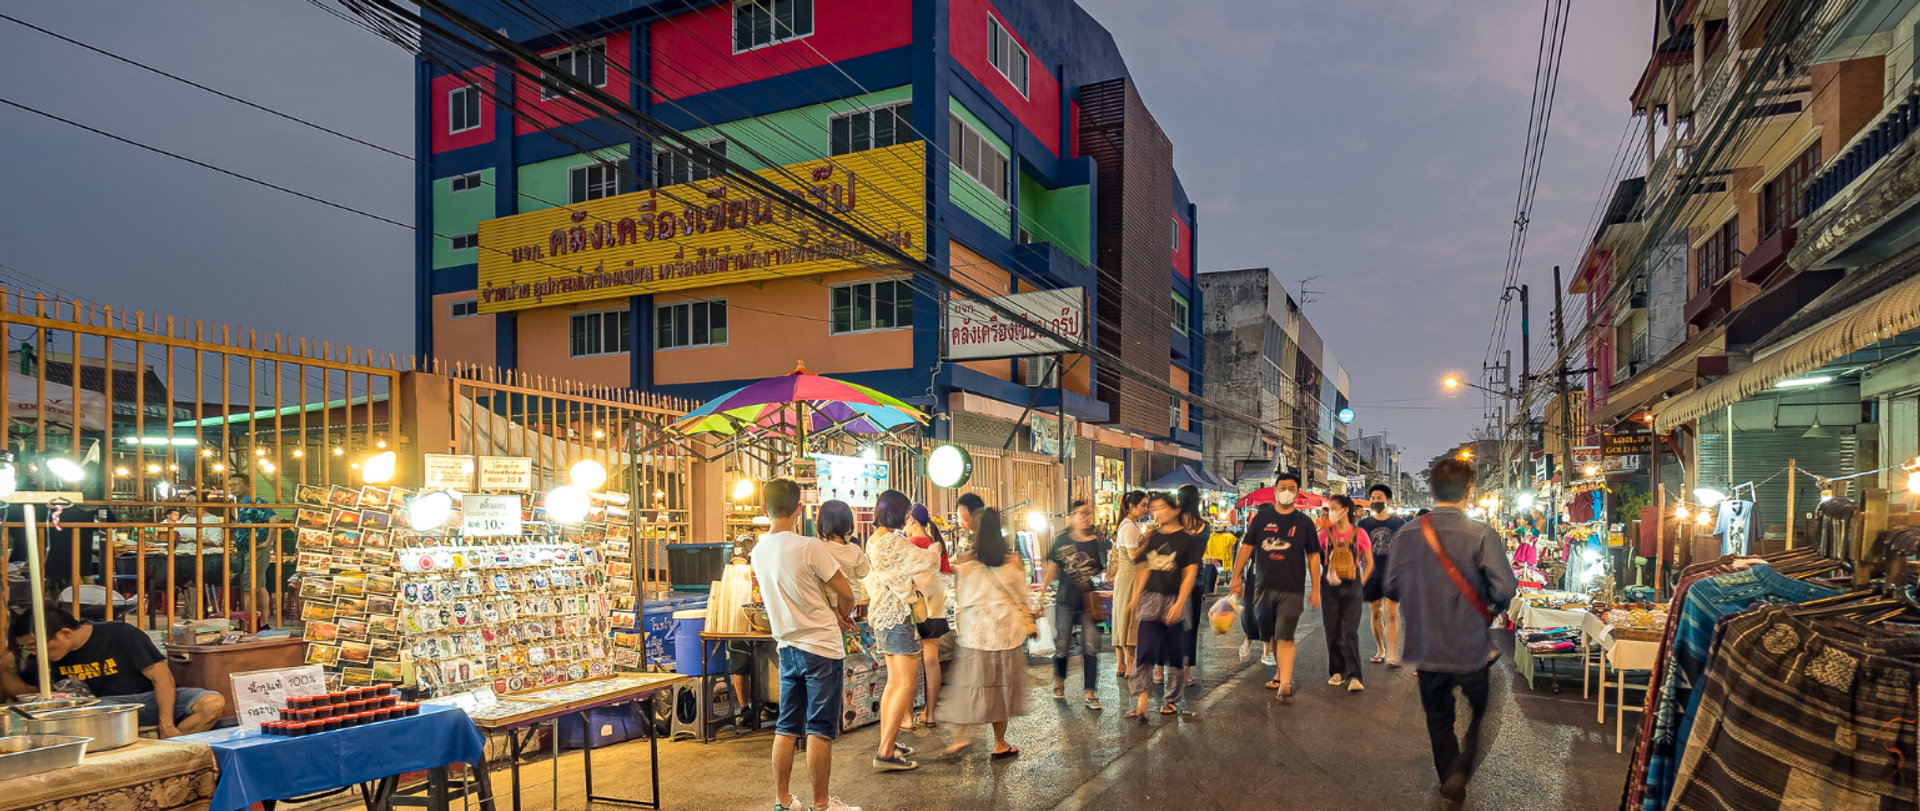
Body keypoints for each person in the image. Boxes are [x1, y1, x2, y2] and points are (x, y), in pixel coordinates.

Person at [1386, 459, 1518, 811]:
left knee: (1439, 720)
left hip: (1427, 649)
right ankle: (1460, 772)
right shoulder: (1482, 534)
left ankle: (1449, 779)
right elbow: (1505, 587)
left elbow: (1392, 586)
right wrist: (1487, 607)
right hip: (1471, 647)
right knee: (1478, 714)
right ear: (1469, 492)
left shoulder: (1408, 533)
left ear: (1431, 490)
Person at [748, 479, 860, 811]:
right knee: (819, 729)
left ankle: (783, 799)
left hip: (787, 647)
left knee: (786, 726)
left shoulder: (758, 551)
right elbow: (847, 593)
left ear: (764, 509)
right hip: (822, 648)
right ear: (800, 508)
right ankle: (821, 804)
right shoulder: (809, 547)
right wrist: (842, 615)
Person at [2, 607, 225, 737]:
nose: (34, 652)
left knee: (212, 704)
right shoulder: (41, 659)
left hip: (144, 702)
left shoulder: (120, 634)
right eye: (30, 648)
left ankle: (168, 747)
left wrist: (166, 722)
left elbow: (162, 677)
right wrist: (2, 667)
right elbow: (25, 691)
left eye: (35, 646)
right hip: (96, 711)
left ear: (64, 634)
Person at [938, 508, 1030, 760]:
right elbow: (1024, 597)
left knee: (971, 687)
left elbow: (960, 597)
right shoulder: (1011, 566)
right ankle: (999, 743)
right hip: (1005, 637)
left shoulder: (969, 567)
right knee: (1000, 692)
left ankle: (960, 737)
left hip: (977, 637)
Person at [1229, 473, 1321, 702]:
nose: (1287, 491)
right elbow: (1247, 548)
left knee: (1285, 634)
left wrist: (1316, 588)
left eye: (1291, 488)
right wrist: (1236, 576)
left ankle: (1286, 683)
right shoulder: (1261, 519)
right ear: (1275, 490)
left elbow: (1313, 557)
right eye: (1283, 487)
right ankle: (1280, 673)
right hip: (1263, 587)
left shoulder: (1305, 523)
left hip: (1292, 589)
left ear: (1297, 493)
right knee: (1270, 633)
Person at [862, 490, 926, 772]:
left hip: (882, 617)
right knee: (906, 684)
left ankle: (886, 744)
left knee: (893, 683)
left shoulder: (874, 539)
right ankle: (886, 751)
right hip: (897, 616)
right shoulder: (892, 541)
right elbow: (925, 561)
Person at [1126, 489, 1202, 720]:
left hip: (1174, 599)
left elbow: (1190, 574)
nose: (1156, 512)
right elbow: (1146, 568)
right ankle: (1141, 703)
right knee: (1146, 648)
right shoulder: (1153, 536)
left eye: (1161, 508)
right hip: (1151, 599)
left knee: (1175, 653)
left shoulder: (1186, 540)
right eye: (1153, 508)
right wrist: (1136, 596)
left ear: (1175, 510)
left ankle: (1171, 700)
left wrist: (1179, 603)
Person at [1036, 499, 1109, 711]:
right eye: (1080, 513)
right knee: (1063, 646)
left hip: (1088, 603)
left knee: (1091, 648)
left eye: (1088, 513)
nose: (1085, 517)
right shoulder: (1061, 541)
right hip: (1066, 601)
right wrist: (1041, 596)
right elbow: (1051, 569)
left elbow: (1098, 571)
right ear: (1071, 517)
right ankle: (1059, 681)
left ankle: (1090, 693)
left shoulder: (1095, 542)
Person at [1318, 495, 1374, 692]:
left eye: (1334, 507)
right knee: (1332, 629)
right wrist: (1323, 578)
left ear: (1344, 511)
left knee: (1349, 631)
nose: (1330, 511)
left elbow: (1369, 562)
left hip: (1352, 586)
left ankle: (1355, 675)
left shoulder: (1360, 534)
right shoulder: (1324, 534)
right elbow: (1316, 558)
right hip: (1329, 587)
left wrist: (1360, 583)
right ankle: (1337, 671)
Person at [905, 505, 950, 729]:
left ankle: (905, 717)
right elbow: (946, 574)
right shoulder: (937, 545)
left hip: (912, 607)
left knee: (909, 662)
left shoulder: (905, 546)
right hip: (935, 606)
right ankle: (930, 714)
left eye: (906, 522)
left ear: (913, 521)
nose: (905, 528)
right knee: (932, 661)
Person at [1359, 485, 1407, 668]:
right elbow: (1359, 549)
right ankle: (1380, 650)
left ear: (1388, 500)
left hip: (1393, 574)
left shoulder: (1399, 523)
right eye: (1373, 497)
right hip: (1372, 574)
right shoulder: (1364, 524)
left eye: (1379, 497)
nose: (1375, 501)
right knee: (1375, 613)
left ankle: (1393, 654)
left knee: (1392, 614)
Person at [226, 474, 281, 623]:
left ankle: (251, 623)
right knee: (259, 586)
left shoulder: (255, 502)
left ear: (248, 485)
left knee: (249, 587)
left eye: (236, 484)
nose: (232, 488)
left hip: (255, 549)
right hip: (245, 549)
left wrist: (268, 541)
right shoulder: (239, 505)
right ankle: (262, 622)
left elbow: (275, 520)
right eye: (230, 485)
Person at [1109, 491, 1148, 678]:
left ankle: (1121, 665)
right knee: (1130, 619)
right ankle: (1130, 666)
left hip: (1123, 577)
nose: (1146, 509)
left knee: (1120, 618)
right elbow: (1133, 556)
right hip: (1131, 576)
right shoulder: (1130, 528)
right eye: (1143, 505)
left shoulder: (1125, 525)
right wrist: (1148, 542)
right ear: (1132, 506)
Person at [817, 500, 868, 614]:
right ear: (849, 524)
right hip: (852, 599)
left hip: (828, 601)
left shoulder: (819, 548)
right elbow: (863, 573)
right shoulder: (855, 550)